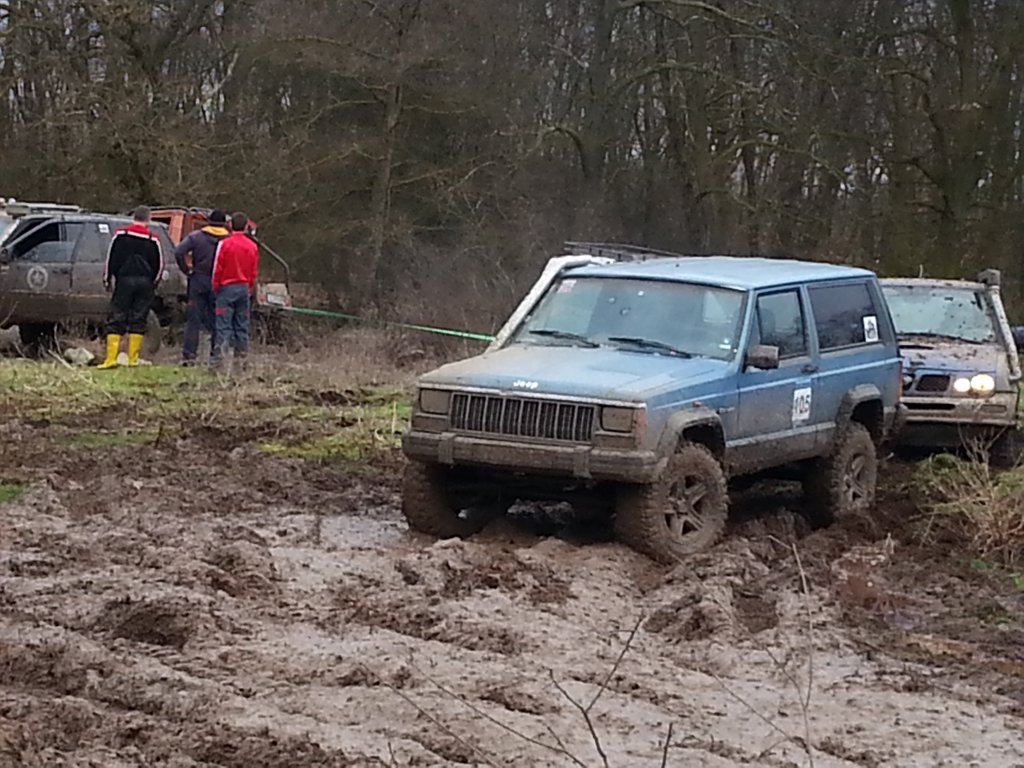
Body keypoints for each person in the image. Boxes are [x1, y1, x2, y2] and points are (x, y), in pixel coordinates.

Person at [98, 205, 163, 369]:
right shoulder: (153, 239)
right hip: (145, 283)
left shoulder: (121, 235)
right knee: (139, 318)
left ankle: (111, 359)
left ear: (133, 217)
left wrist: (107, 279)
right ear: (149, 219)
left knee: (117, 316)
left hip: (124, 281)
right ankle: (133, 359)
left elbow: (111, 259)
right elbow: (159, 264)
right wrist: (154, 283)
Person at [174, 209, 229, 365]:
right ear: (224, 223)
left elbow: (179, 252)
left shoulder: (196, 237)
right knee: (218, 321)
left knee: (193, 320)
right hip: (220, 282)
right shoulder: (228, 240)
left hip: (198, 279)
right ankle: (216, 357)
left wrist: (187, 270)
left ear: (208, 221)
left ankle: (189, 356)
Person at [211, 211, 259, 367]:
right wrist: (249, 287)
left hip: (226, 288)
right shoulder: (253, 246)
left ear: (230, 225)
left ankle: (220, 362)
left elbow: (218, 268)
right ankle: (241, 361)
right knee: (242, 326)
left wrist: (215, 286)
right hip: (243, 288)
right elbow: (253, 271)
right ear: (246, 227)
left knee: (223, 326)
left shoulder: (224, 244)